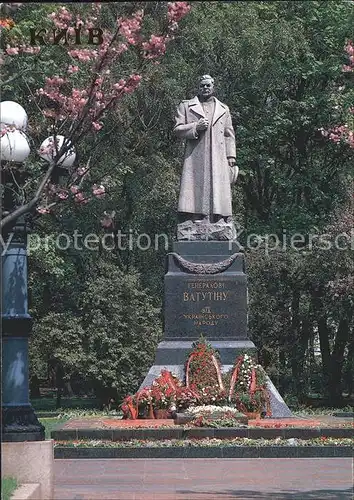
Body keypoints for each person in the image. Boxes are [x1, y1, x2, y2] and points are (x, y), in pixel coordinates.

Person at [174, 74, 238, 224]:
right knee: (195, 184)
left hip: (218, 155)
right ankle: (195, 216)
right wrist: (196, 127)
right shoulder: (186, 106)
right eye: (202, 85)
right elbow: (177, 129)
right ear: (198, 87)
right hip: (196, 154)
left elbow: (229, 134)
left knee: (218, 185)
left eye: (208, 85)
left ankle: (219, 217)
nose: (205, 88)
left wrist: (231, 156)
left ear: (213, 87)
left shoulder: (224, 109)